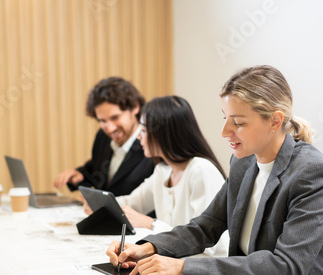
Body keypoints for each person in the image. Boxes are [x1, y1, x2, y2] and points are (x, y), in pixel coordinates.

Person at [106, 65, 323, 275]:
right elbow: (205, 227)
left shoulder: (312, 172)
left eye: (238, 123)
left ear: (275, 121)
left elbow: (287, 266)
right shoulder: (244, 162)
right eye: (225, 119)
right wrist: (148, 247)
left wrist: (184, 268)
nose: (224, 132)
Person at [87, 95, 229, 256]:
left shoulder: (200, 170)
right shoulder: (163, 170)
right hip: (171, 260)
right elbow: (133, 203)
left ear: (165, 134)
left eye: (144, 130)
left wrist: (151, 224)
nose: (140, 137)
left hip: (203, 266)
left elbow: (206, 242)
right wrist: (97, 203)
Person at [53, 77, 154, 196]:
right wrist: (81, 175)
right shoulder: (103, 136)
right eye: (103, 121)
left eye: (115, 118)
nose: (110, 129)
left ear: (135, 107)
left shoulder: (153, 144)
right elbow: (98, 169)